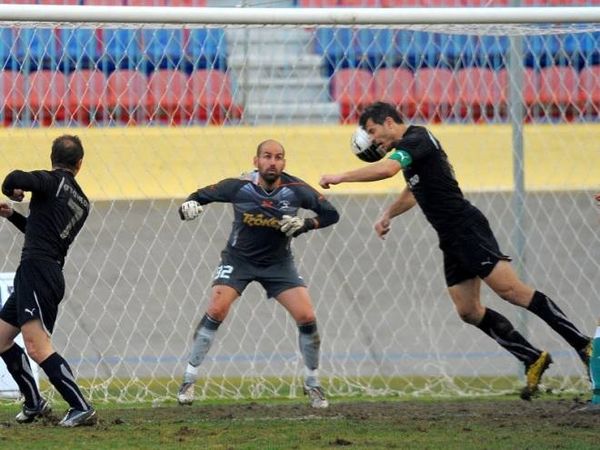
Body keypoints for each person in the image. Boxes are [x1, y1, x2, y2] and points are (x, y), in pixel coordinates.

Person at [319, 102, 591, 400]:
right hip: (450, 236)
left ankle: (583, 345)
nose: (373, 140)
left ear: (388, 122)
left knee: (512, 291)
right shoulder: (411, 151)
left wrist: (340, 176)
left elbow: (387, 169)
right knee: (468, 310)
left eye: (373, 132)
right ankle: (532, 357)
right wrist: (388, 214)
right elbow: (413, 191)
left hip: (465, 227)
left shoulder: (417, 139)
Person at [176, 139, 339, 408]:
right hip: (239, 260)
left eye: (278, 157)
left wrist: (306, 224)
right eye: (267, 156)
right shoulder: (239, 187)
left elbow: (331, 214)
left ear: (284, 163)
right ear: (256, 161)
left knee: (307, 316)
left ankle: (313, 383)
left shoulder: (296, 190)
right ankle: (189, 378)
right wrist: (188, 208)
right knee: (217, 308)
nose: (272, 162)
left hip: (279, 263)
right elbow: (197, 198)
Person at [0, 135, 96, 427]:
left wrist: (11, 191)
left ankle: (80, 406)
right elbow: (42, 233)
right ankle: (34, 402)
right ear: (79, 164)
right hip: (46, 270)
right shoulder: (82, 202)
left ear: (52, 159)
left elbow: (14, 177)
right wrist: (13, 214)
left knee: (37, 346)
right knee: (1, 339)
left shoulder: (52, 181)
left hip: (37, 272)